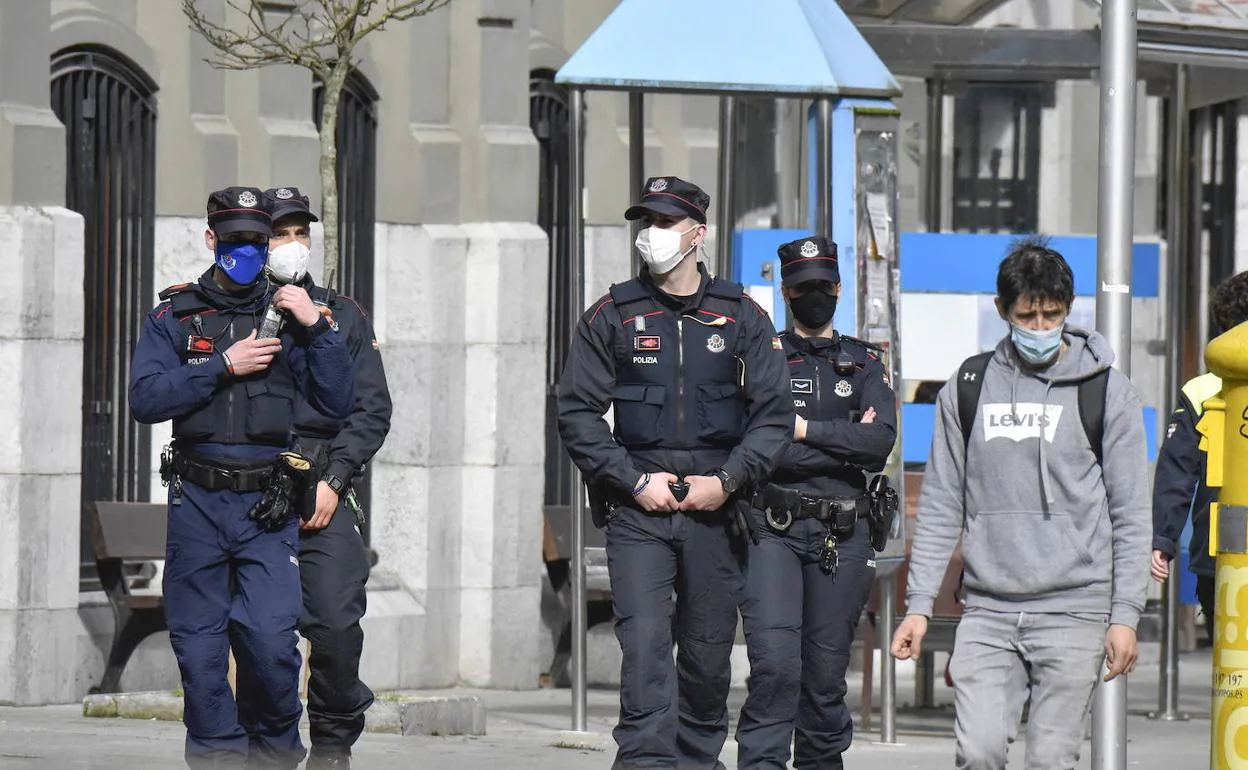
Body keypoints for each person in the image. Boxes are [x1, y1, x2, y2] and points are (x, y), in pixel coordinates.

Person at [556, 175, 792, 769]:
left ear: (697, 233)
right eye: (647, 223)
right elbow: (576, 411)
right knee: (643, 647)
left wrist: (729, 482)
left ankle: (695, 761)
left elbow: (773, 416)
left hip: (719, 511)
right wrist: (633, 480)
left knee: (709, 658)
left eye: (664, 223)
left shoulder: (740, 316)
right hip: (640, 508)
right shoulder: (612, 314)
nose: (652, 235)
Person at [890, 236, 1150, 770]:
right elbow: (941, 503)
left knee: (1051, 759)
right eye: (1026, 316)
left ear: (1068, 310)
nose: (1038, 327)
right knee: (978, 752)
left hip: (1076, 607)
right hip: (988, 608)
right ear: (1001, 310)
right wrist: (918, 606)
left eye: (1050, 315)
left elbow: (1130, 513)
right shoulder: (968, 386)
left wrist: (1126, 614)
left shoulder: (1108, 391)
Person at [129, 186, 355, 770]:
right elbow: (145, 398)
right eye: (233, 242)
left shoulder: (291, 313)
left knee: (270, 646)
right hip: (198, 501)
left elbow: (335, 403)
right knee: (200, 650)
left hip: (266, 507)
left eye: (257, 242)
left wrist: (318, 329)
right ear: (211, 240)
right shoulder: (176, 315)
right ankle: (216, 757)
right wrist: (220, 366)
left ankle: (276, 755)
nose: (247, 253)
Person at [234, 186, 393, 769]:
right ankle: (268, 744)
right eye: (280, 233)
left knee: (334, 625)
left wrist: (336, 478)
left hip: (324, 488)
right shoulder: (238, 311)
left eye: (301, 232)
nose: (292, 244)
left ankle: (332, 741)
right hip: (254, 491)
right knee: (261, 636)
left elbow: (371, 409)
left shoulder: (343, 314)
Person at [735, 236, 898, 770]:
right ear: (786, 291)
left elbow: (878, 445)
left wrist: (800, 428)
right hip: (773, 528)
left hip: (843, 535)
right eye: (804, 286)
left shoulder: (866, 363)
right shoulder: (765, 359)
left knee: (826, 679)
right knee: (777, 668)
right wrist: (839, 436)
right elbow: (760, 446)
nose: (815, 294)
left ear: (839, 287)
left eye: (824, 285)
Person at [1152, 271, 1248, 643]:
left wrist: (1164, 538)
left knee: (1231, 675)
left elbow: (1175, 471)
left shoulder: (1201, 390)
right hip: (1217, 555)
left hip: (1218, 556)